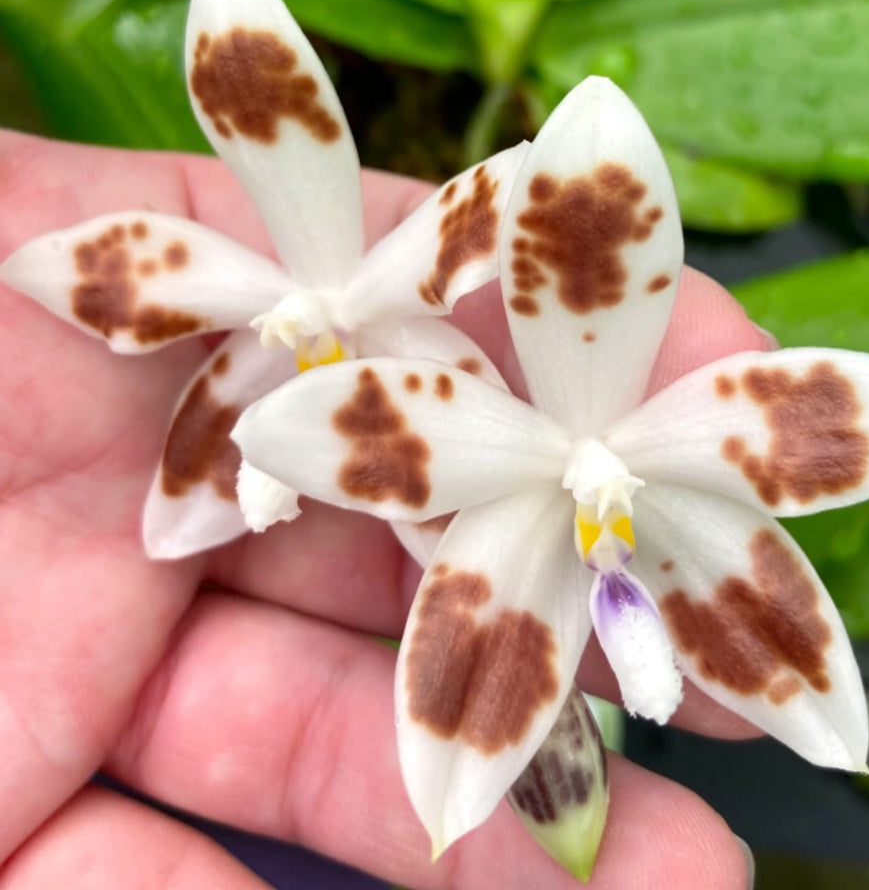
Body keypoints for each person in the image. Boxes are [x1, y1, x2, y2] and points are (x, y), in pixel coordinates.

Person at [0, 129, 765, 889]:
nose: (314, 380)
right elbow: (272, 446)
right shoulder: (362, 410)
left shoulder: (463, 406)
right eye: (306, 369)